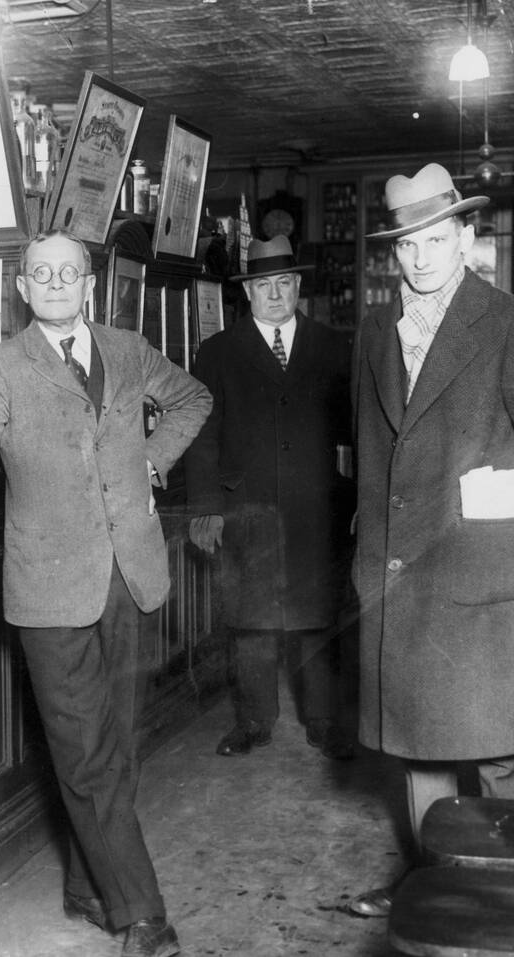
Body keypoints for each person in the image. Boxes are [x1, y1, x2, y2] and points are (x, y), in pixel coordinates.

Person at [0, 228, 211, 957]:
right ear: (22, 289)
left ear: (91, 285)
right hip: (48, 586)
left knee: (117, 746)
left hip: (130, 573)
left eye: (69, 271)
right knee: (85, 754)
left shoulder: (127, 347)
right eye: (40, 272)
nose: (55, 282)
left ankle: (88, 888)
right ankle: (142, 913)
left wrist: (150, 462)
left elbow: (193, 398)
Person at [348, 162, 514, 917]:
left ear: (466, 237)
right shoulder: (376, 330)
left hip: (478, 573)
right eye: (405, 246)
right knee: (419, 747)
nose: (418, 259)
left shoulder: (502, 320)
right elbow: (368, 447)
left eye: (435, 240)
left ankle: (502, 898)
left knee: (497, 750)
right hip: (396, 570)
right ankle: (437, 890)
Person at [184, 236, 356, 761]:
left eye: (284, 283)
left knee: (318, 618)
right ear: (248, 293)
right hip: (246, 509)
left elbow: (354, 430)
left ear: (298, 287)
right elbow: (203, 436)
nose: (275, 294)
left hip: (317, 509)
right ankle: (254, 722)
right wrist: (206, 507)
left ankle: (324, 721)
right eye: (264, 285)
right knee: (250, 621)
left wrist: (356, 503)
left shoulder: (332, 345)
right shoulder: (217, 353)